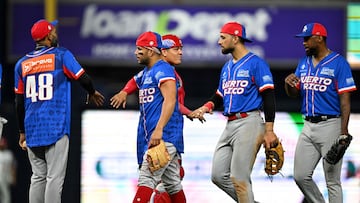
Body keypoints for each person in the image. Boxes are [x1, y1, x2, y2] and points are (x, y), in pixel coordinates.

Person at [14, 19, 105, 203]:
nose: (55, 33)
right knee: (54, 177)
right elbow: (83, 77)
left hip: (32, 127)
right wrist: (92, 91)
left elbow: (18, 101)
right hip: (55, 124)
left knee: (37, 176)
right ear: (48, 36)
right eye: (53, 31)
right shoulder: (61, 55)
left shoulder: (21, 64)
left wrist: (22, 132)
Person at [189, 21, 278, 202]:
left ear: (235, 38)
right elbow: (220, 95)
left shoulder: (256, 63)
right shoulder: (227, 67)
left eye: (223, 37)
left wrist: (269, 130)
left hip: (249, 122)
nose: (219, 41)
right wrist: (207, 107)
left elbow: (269, 95)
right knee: (218, 175)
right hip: (230, 124)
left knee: (239, 178)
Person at [284, 22, 357, 203]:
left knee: (332, 181)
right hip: (307, 125)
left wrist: (343, 130)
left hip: (330, 124)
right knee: (300, 176)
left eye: (307, 39)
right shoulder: (304, 62)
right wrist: (288, 84)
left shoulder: (339, 63)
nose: (304, 42)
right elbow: (294, 93)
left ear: (319, 38)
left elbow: (345, 101)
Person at [110, 31, 186, 203]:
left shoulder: (164, 69)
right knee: (173, 184)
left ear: (151, 51)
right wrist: (124, 92)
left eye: (140, 49)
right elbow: (133, 81)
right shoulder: (147, 72)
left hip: (163, 136)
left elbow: (170, 100)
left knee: (146, 179)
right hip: (157, 136)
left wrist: (159, 130)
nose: (136, 52)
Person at [0, 137, 16, 203]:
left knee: (6, 195)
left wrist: (14, 177)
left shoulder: (9, 154)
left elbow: (13, 166)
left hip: (6, 177)